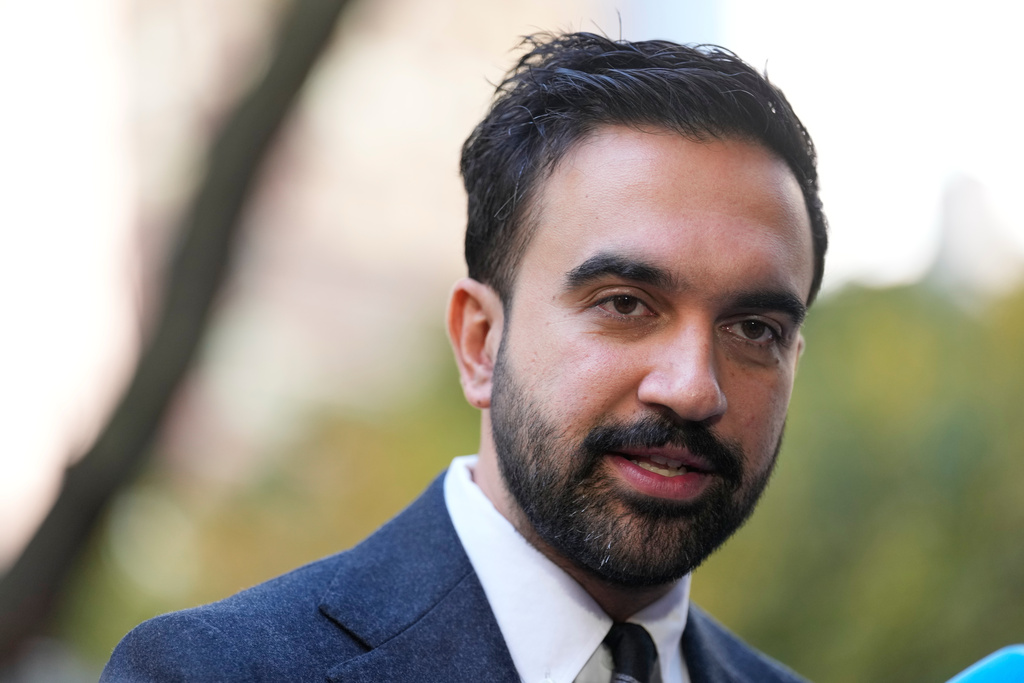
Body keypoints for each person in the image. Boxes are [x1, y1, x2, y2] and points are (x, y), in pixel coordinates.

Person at [102, 31, 827, 683]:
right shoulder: (206, 672)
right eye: (625, 304)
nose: (693, 387)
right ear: (480, 341)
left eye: (754, 329)